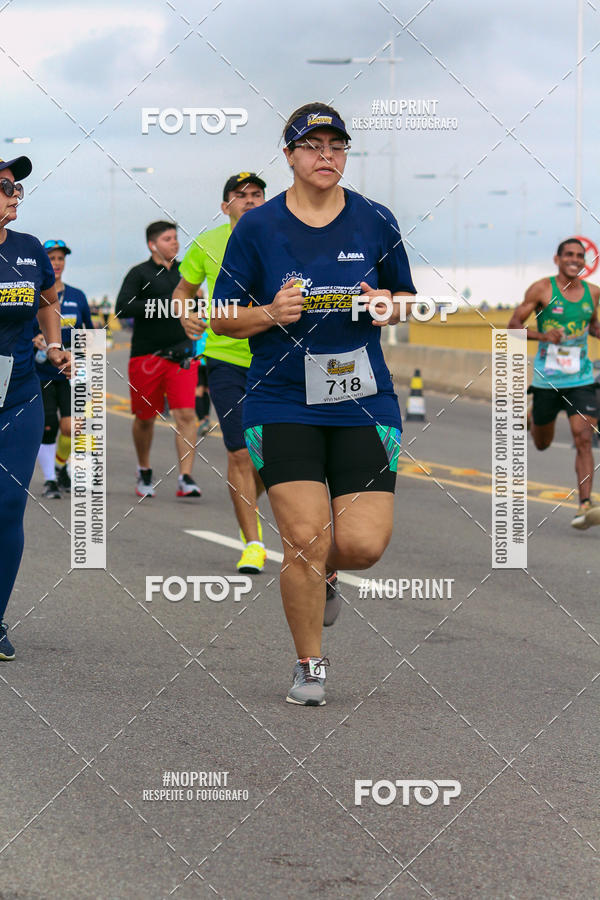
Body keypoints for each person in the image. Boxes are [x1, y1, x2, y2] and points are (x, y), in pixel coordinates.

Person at [207, 104, 416, 705]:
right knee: (303, 536)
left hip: (363, 400)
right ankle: (309, 665)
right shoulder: (258, 227)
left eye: (336, 145)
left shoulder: (375, 219)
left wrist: (389, 305)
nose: (327, 155)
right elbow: (222, 315)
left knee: (361, 546)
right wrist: (270, 312)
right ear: (290, 156)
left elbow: (407, 297)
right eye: (313, 145)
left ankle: (327, 572)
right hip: (282, 401)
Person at [176, 173, 268, 573]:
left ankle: (246, 499)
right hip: (225, 357)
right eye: (240, 195)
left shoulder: (284, 238)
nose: (249, 200)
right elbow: (183, 290)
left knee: (270, 457)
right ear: (225, 205)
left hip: (275, 358)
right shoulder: (207, 243)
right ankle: (253, 544)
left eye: (257, 194)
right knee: (239, 451)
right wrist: (185, 315)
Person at [0, 156, 70, 660]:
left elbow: (48, 301)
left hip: (19, 395)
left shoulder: (27, 249)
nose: (15, 195)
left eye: (17, 188)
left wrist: (54, 344)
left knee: (7, 505)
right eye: (6, 186)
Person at [509, 238, 600, 529]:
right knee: (542, 443)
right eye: (569, 255)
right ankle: (533, 416)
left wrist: (597, 331)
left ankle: (584, 505)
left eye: (580, 256)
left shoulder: (593, 293)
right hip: (547, 381)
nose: (575, 259)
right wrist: (543, 336)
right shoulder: (541, 289)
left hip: (581, 378)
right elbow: (513, 327)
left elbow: (592, 326)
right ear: (557, 259)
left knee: (583, 437)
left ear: (585, 262)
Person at [115, 221, 201, 498]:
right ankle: (144, 469)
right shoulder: (139, 273)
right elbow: (122, 307)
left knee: (186, 415)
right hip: (147, 357)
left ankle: (185, 477)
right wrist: (166, 304)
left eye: (175, 237)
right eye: (167, 239)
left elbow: (198, 304)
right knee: (145, 418)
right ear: (152, 245)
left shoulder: (186, 272)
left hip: (182, 356)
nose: (174, 243)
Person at [34, 239, 93, 498]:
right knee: (48, 426)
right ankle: (49, 480)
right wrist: (35, 339)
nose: (56, 263)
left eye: (60, 258)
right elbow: (21, 328)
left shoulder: (77, 296)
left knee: (72, 427)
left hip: (71, 372)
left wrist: (85, 353)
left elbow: (90, 331)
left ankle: (60, 466)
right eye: (51, 258)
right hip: (41, 372)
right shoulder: (34, 293)